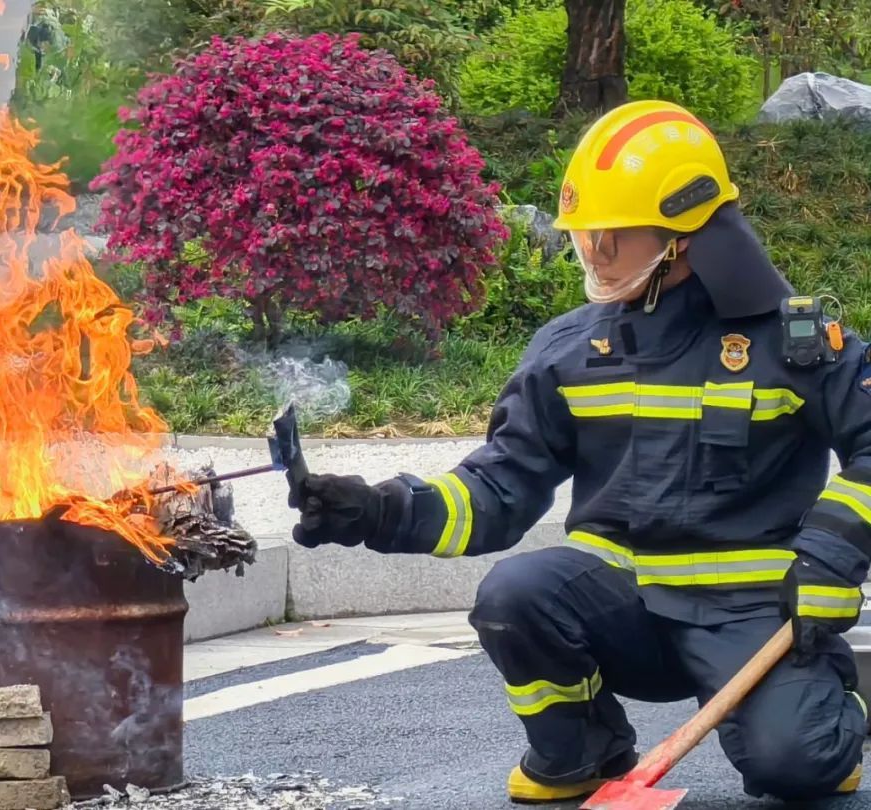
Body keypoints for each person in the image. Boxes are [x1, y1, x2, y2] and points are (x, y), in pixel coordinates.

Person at [287, 99, 871, 803]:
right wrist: (377, 512)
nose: (593, 252)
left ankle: (836, 701)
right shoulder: (569, 349)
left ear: (684, 232)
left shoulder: (793, 343)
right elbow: (498, 491)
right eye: (586, 235)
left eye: (612, 236)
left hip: (751, 614)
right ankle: (582, 751)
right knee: (515, 594)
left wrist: (830, 558)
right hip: (621, 608)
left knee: (799, 768)